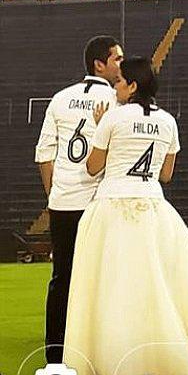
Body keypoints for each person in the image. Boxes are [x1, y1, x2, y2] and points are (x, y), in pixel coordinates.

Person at [64, 57, 188, 375]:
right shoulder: (168, 121)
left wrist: (99, 125)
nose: (114, 87)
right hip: (154, 209)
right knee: (160, 284)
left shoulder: (113, 119)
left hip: (112, 206)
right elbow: (166, 174)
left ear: (132, 85)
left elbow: (92, 167)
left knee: (111, 286)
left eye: (118, 82)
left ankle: (112, 357)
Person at [34, 35, 123, 364]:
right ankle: (102, 353)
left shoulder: (59, 99)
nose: (121, 66)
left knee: (62, 278)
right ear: (99, 64)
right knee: (105, 277)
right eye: (116, 59)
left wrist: (53, 194)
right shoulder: (118, 102)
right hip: (99, 203)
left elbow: (44, 154)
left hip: (63, 203)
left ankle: (55, 357)